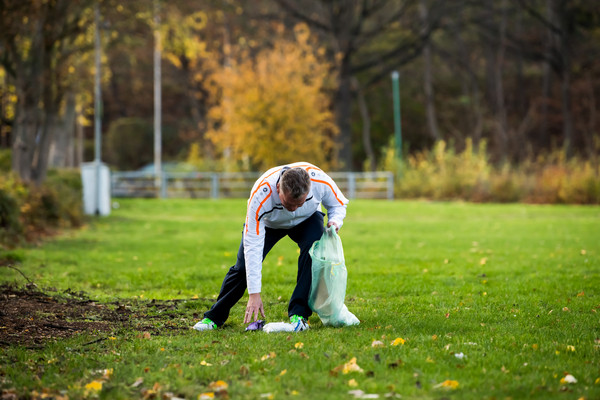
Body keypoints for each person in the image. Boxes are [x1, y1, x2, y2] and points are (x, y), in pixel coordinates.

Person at [193, 162, 349, 332]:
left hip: (307, 219)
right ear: (278, 188)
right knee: (243, 267)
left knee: (313, 255)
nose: (293, 209)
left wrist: (335, 221)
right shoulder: (261, 194)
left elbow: (339, 204)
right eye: (288, 203)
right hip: (270, 224)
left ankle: (300, 314)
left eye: (300, 203)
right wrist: (254, 294)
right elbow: (252, 246)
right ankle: (214, 317)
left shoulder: (319, 180)